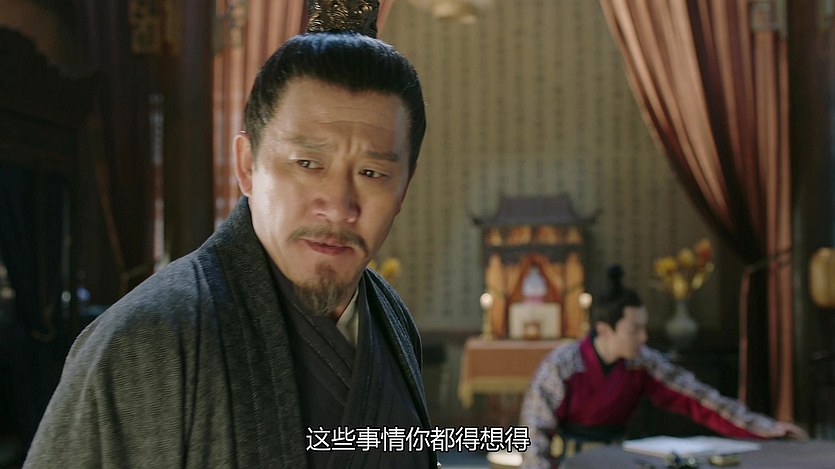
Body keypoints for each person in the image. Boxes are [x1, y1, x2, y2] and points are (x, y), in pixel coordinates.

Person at [23, 6, 439, 469]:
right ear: (246, 165)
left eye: (372, 172)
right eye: (307, 163)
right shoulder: (145, 339)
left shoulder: (389, 318)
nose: (339, 205)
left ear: (405, 186)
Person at [519, 265, 807, 468]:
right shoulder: (562, 365)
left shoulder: (641, 362)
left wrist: (767, 429)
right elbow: (533, 435)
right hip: (571, 462)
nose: (643, 337)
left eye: (644, 328)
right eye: (634, 330)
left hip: (617, 459)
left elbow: (701, 400)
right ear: (604, 330)